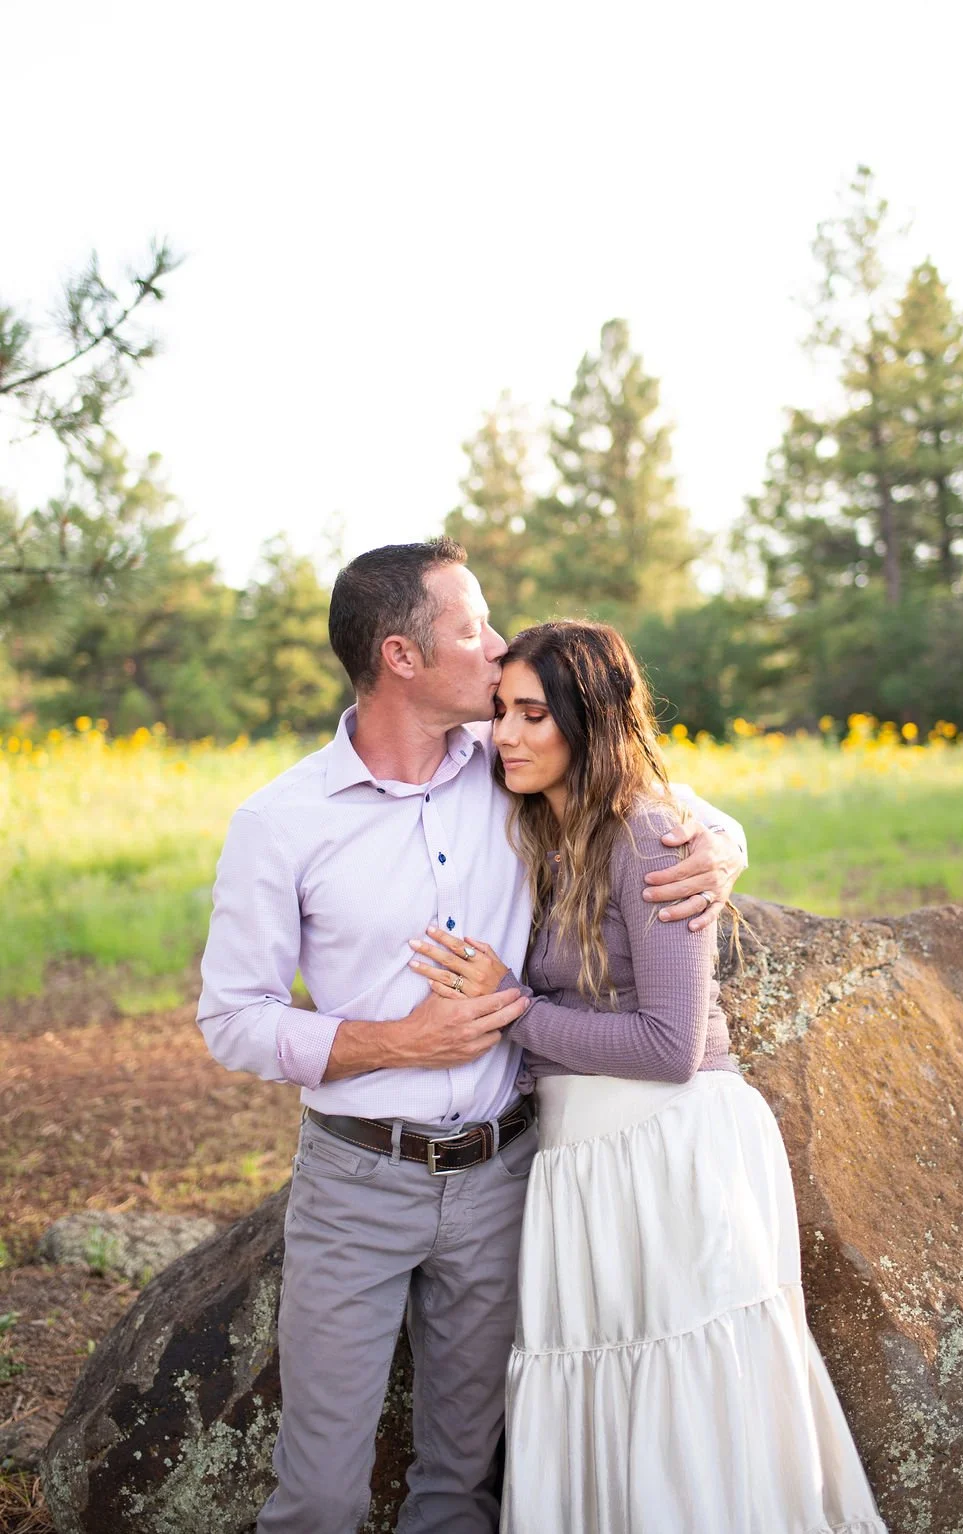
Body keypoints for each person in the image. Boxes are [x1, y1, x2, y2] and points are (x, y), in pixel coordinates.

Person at [197, 538, 747, 1534]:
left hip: (507, 1176)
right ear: (403, 656)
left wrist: (722, 853)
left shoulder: (511, 767)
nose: (498, 650)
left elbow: (670, 808)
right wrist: (393, 1042)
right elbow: (231, 1016)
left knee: (461, 1488)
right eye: (472, 627)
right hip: (358, 1184)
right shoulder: (279, 822)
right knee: (319, 1495)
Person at [411, 619, 886, 1534]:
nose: (504, 735)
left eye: (532, 715)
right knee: (601, 1380)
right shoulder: (544, 827)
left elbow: (670, 1047)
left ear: (589, 721)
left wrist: (511, 1010)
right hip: (584, 1158)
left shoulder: (648, 836)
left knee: (684, 1389)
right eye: (499, 712)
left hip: (667, 1154)